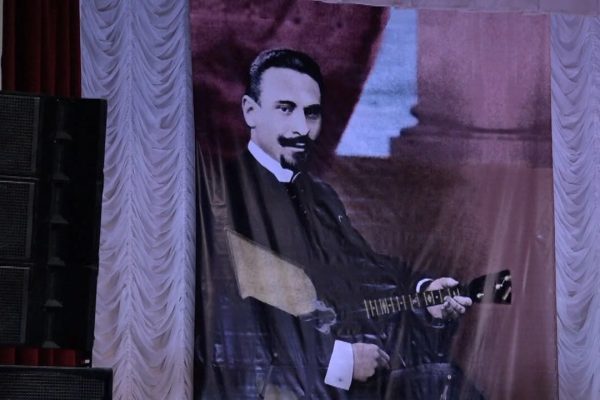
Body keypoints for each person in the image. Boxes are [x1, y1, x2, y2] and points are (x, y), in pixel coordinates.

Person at [196, 48, 476, 399]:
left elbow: (365, 271)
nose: (301, 128)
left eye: (311, 113)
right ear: (251, 111)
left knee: (445, 382)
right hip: (269, 387)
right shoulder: (220, 196)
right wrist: (339, 359)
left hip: (334, 379)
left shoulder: (320, 197)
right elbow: (227, 322)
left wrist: (425, 294)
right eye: (285, 109)